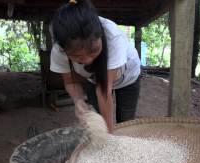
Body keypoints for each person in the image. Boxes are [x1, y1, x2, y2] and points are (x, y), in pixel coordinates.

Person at [50, 0, 141, 131]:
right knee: (96, 118)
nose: (87, 60)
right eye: (77, 56)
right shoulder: (59, 50)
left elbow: (103, 91)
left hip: (128, 78)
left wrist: (109, 135)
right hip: (93, 80)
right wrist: (78, 101)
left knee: (125, 120)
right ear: (64, 50)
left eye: (93, 51)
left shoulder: (113, 37)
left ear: (100, 35)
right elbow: (70, 82)